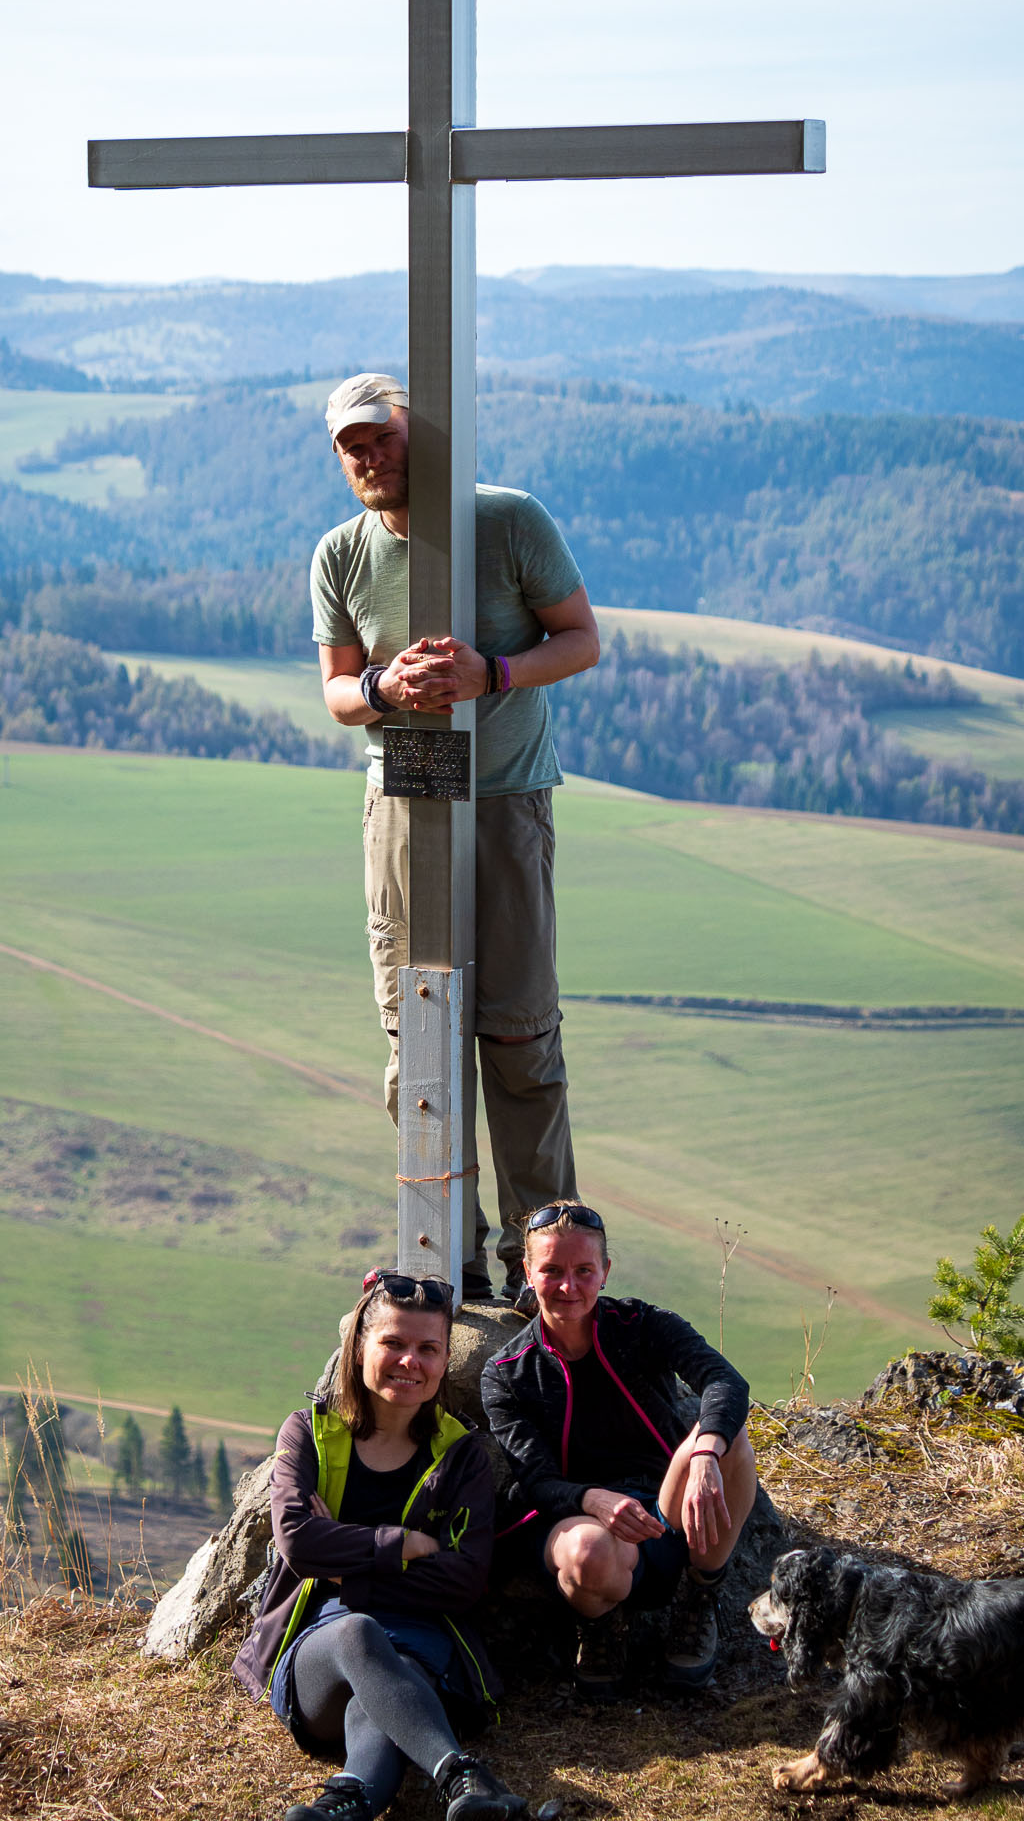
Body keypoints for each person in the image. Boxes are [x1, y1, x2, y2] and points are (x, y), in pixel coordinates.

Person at [311, 373, 601, 1308]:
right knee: (418, 1042)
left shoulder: (510, 523)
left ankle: (545, 1266)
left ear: (416, 435)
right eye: (350, 445)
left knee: (519, 1036)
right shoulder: (342, 555)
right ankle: (447, 1261)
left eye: (380, 438)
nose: (366, 457)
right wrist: (390, 693)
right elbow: (338, 691)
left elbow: (582, 639)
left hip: (507, 800)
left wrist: (495, 672)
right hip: (402, 810)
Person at [234, 1272, 528, 1821]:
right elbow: (298, 1541)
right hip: (319, 1651)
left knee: (388, 1692)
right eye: (393, 1343)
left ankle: (341, 1807)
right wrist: (405, 1544)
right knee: (358, 1633)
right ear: (361, 1346)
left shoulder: (459, 1455)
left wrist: (347, 1569)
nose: (409, 1362)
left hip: (424, 1647)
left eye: (427, 1349)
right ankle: (461, 1776)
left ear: (444, 1361)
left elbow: (465, 1579)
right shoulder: (310, 1433)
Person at [480, 1200, 757, 1696]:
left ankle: (699, 1595)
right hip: (580, 1519)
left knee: (727, 1437)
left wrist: (704, 1454)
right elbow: (536, 1480)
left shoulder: (642, 1326)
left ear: (606, 1270)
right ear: (527, 1271)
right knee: (587, 1552)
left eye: (584, 1270)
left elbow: (725, 1381)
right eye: (552, 1270)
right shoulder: (507, 1372)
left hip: (669, 1511)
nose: (569, 1286)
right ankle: (599, 1623)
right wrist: (594, 1500)